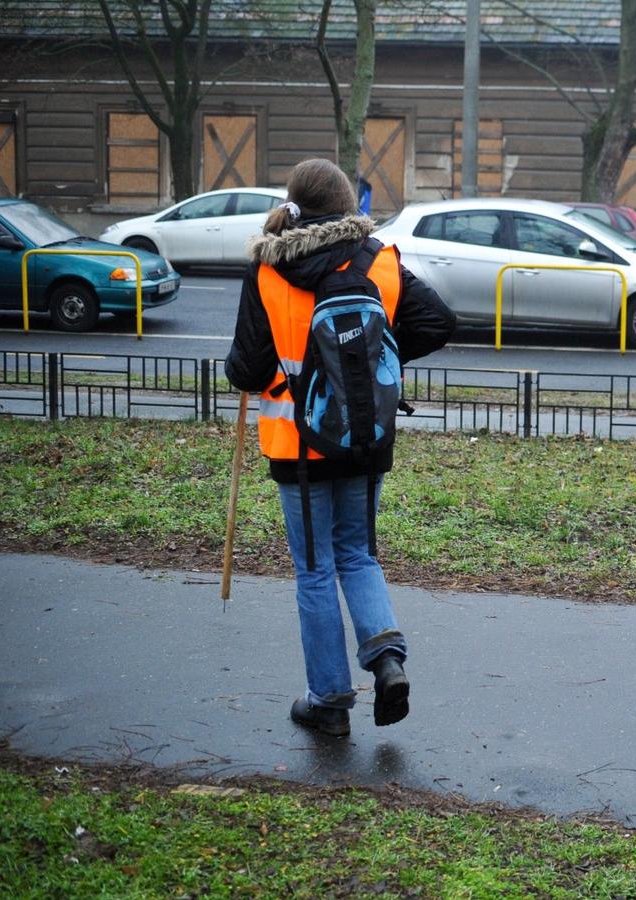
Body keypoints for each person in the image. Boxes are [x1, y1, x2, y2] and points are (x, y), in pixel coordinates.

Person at [225, 157, 456, 737]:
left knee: (313, 570)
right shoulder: (381, 260)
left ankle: (328, 701)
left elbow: (247, 371)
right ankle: (386, 659)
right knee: (357, 553)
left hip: (297, 445)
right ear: (349, 204)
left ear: (294, 202)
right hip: (366, 436)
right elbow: (440, 323)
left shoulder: (268, 268)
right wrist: (374, 359)